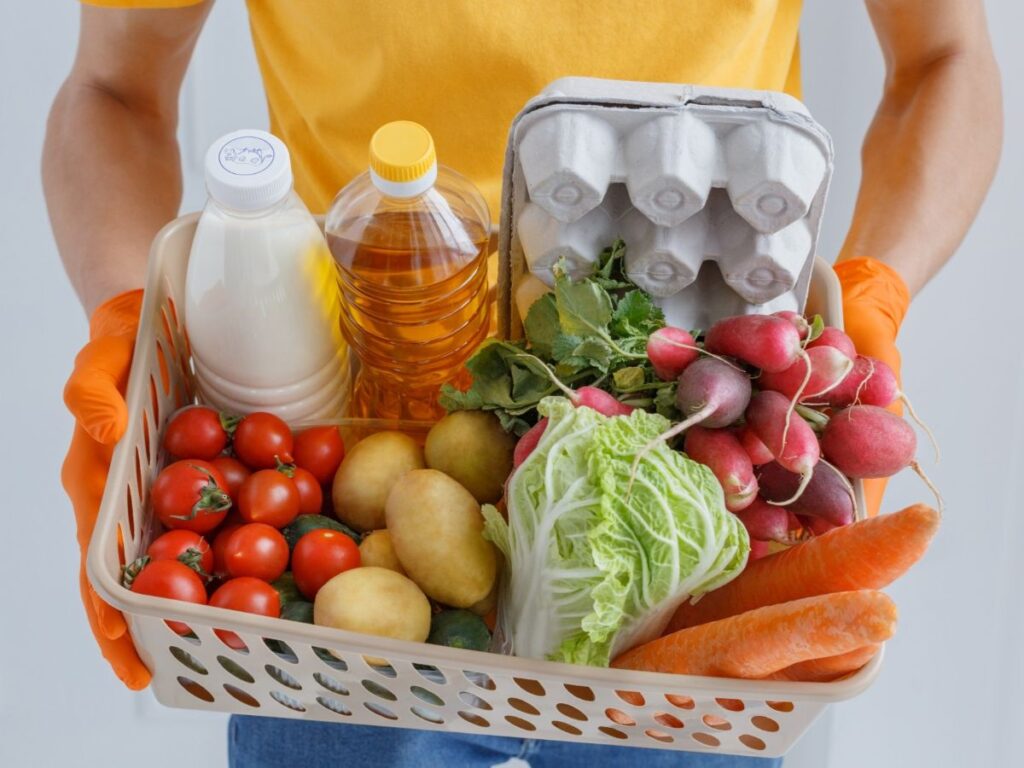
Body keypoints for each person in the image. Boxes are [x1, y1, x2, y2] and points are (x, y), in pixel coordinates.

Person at [45, 1, 1001, 766]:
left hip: (689, 487)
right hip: (361, 449)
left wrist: (876, 286)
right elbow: (112, 88)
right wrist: (129, 314)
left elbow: (945, 58)